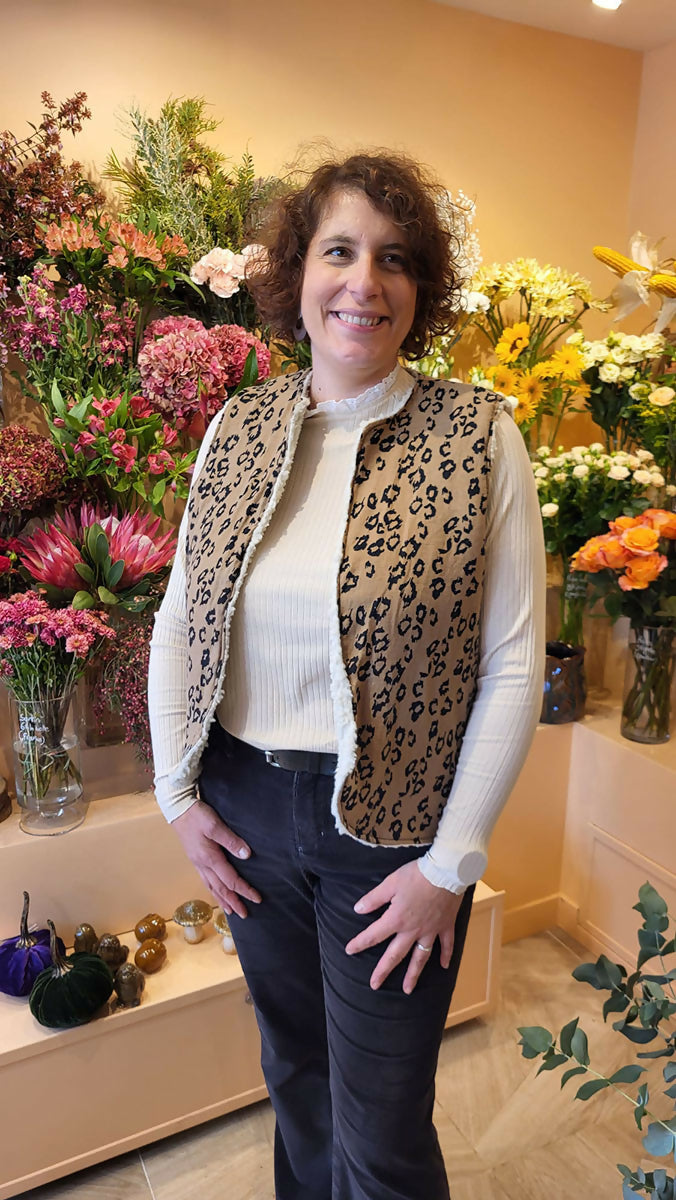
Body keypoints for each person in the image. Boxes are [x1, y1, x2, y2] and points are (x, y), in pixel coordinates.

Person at [147, 150, 546, 1200]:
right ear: (296, 274)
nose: (364, 280)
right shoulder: (239, 429)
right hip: (244, 806)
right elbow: (183, 615)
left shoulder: (479, 436)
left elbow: (512, 665)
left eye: (394, 258)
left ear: (422, 288)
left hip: (392, 830)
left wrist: (450, 865)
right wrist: (176, 794)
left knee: (381, 1123)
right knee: (297, 1079)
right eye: (338, 251)